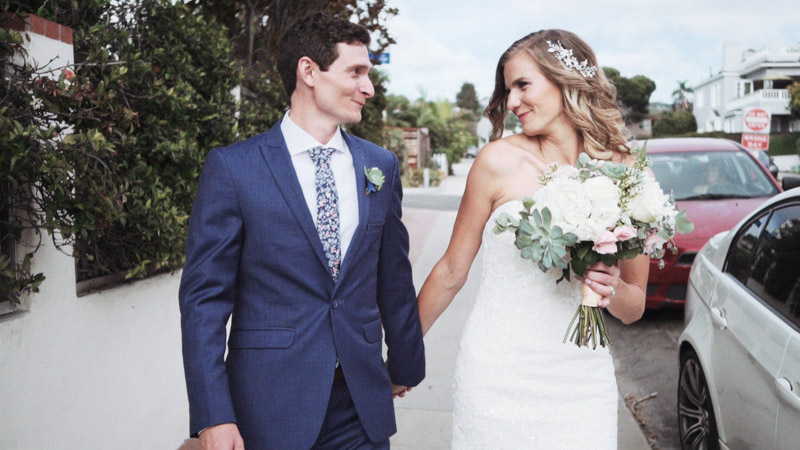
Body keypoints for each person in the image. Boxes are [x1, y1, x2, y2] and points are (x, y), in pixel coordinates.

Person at [179, 12, 425, 449]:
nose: (368, 88)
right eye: (356, 72)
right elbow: (204, 301)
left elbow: (393, 275)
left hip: (360, 405)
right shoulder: (234, 169)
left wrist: (406, 364)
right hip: (268, 406)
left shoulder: (379, 165)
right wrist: (212, 414)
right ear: (308, 71)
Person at [416, 30, 649, 448]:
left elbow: (634, 307)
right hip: (496, 376)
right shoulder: (497, 162)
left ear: (566, 80)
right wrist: (401, 352)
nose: (512, 102)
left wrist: (611, 288)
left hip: (581, 383)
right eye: (508, 90)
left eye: (523, 85)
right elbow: (451, 270)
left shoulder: (627, 173)